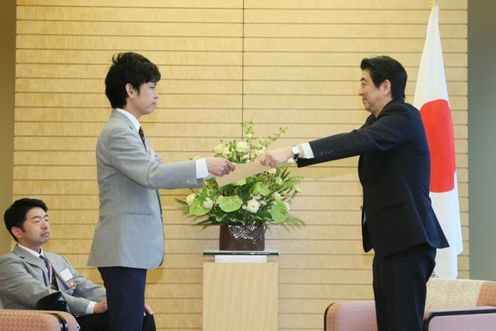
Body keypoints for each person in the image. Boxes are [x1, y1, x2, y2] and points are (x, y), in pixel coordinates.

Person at [259, 55, 449, 331]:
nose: (359, 90)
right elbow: (354, 139)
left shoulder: (404, 116)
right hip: (390, 243)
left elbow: (354, 142)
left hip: (408, 242)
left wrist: (292, 151)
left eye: (364, 83)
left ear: (385, 86)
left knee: (403, 325)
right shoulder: (376, 122)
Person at [87, 51, 235, 331]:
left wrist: (208, 173)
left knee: (131, 323)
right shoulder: (118, 132)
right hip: (123, 247)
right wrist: (204, 165)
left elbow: (157, 169)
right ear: (130, 90)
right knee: (126, 325)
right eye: (152, 87)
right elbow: (152, 174)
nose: (156, 94)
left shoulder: (132, 130)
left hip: (128, 250)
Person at [0, 198, 157, 331]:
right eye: (37, 221)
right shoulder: (9, 263)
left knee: (138, 313)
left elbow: (84, 286)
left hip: (72, 321)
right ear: (17, 232)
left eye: (46, 219)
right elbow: (43, 295)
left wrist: (124, 300)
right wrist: (92, 307)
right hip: (44, 324)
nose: (45, 225)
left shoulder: (58, 260)